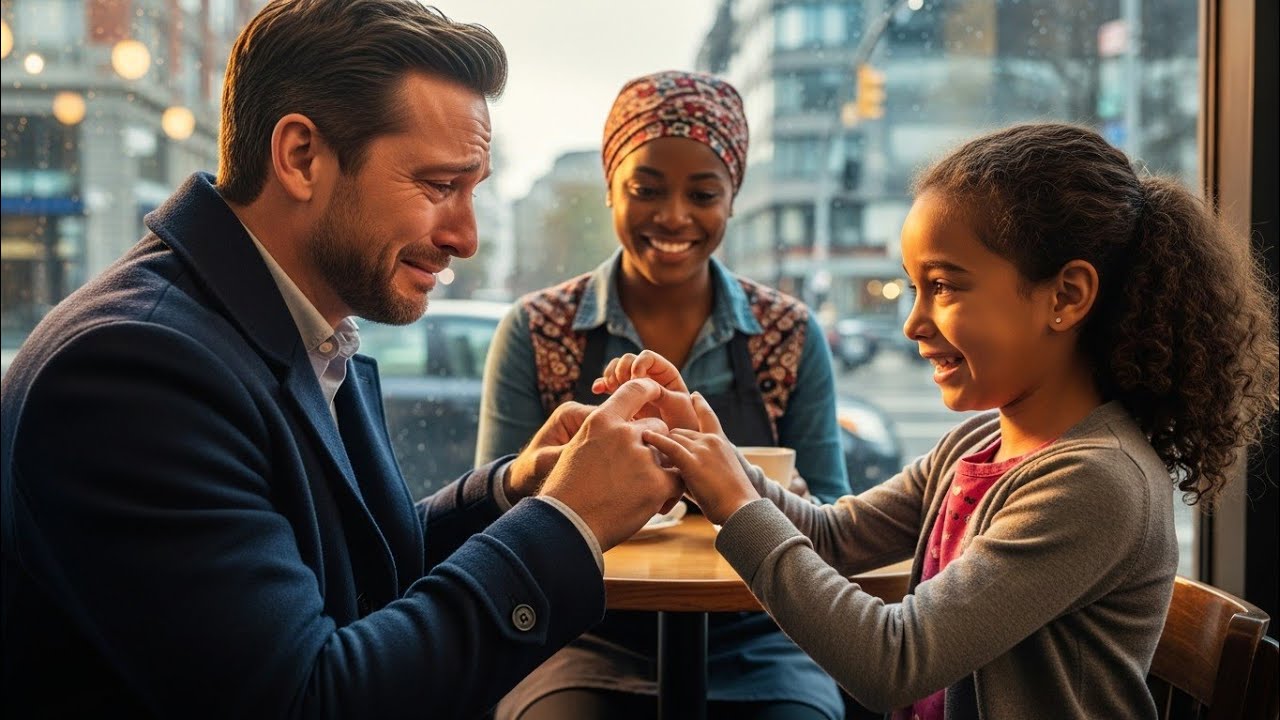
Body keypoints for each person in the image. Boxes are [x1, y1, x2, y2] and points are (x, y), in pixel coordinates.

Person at [0, 1, 689, 716]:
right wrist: (570, 520)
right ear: (300, 157)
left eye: (472, 191)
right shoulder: (130, 374)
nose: (466, 236)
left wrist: (518, 490)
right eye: (438, 186)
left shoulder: (299, 325)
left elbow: (350, 574)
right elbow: (311, 699)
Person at [601, 123, 1280, 718]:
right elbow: (835, 537)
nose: (913, 322)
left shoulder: (1096, 481)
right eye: (914, 286)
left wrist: (733, 503)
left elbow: (889, 662)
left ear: (1066, 296)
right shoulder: (979, 444)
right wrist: (707, 448)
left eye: (945, 286)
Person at [476, 70, 850, 720]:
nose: (674, 216)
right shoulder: (536, 330)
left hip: (765, 633)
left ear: (732, 198)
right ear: (611, 190)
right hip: (576, 633)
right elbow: (495, 514)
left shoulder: (789, 335)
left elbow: (833, 518)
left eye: (703, 193)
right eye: (646, 190)